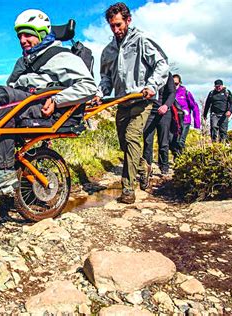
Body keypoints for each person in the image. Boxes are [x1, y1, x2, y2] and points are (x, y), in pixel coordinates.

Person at [0, 9, 97, 193]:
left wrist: (57, 100)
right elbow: (11, 87)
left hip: (47, 108)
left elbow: (89, 86)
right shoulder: (23, 62)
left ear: (41, 34)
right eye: (19, 36)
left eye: (28, 35)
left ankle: (3, 170)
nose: (22, 40)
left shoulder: (61, 56)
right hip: (24, 103)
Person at [92, 2, 169, 204]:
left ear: (128, 20)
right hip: (122, 102)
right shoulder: (108, 51)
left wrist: (152, 86)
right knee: (125, 144)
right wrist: (100, 93)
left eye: (119, 25)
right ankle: (144, 168)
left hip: (141, 100)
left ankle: (128, 189)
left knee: (132, 137)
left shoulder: (141, 40)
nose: (116, 30)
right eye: (112, 26)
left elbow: (162, 65)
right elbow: (106, 78)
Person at [143, 73, 174, 175]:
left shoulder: (167, 74)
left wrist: (166, 106)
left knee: (164, 141)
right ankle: (147, 168)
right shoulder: (145, 72)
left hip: (164, 112)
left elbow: (172, 93)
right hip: (149, 111)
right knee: (147, 140)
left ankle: (164, 166)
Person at [169, 74, 200, 156]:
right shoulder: (168, 93)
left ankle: (181, 160)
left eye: (176, 83)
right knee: (171, 141)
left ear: (180, 83)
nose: (174, 85)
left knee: (180, 141)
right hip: (173, 121)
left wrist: (197, 125)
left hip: (185, 120)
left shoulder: (186, 93)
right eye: (172, 83)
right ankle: (178, 157)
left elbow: (195, 107)